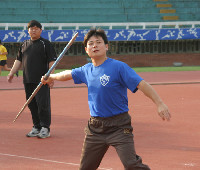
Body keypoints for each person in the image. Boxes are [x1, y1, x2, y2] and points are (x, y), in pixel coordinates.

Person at [41, 28, 171, 169]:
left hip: (119, 126)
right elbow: (67, 74)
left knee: (131, 164)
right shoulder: (86, 70)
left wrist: (160, 103)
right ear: (86, 49)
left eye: (98, 42)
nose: (95, 46)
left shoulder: (119, 67)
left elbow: (141, 84)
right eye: (91, 43)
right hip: (95, 128)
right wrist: (51, 77)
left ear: (106, 46)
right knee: (85, 168)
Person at [7, 20, 57, 139]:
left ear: (40, 30)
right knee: (32, 104)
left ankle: (45, 128)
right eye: (31, 28)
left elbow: (52, 61)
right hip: (28, 80)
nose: (33, 30)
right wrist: (12, 72)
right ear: (28, 30)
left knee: (42, 104)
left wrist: (50, 77)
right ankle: (36, 126)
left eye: (36, 28)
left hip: (42, 80)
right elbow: (18, 60)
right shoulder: (24, 44)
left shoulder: (46, 44)